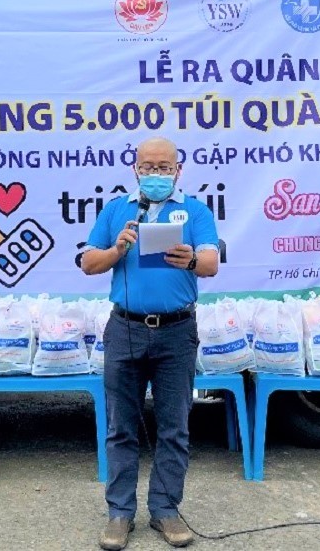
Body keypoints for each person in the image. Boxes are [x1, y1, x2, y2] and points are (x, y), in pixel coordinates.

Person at [81, 137, 219, 550]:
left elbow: (211, 263)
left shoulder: (195, 211)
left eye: (164, 167)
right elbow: (88, 262)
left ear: (178, 170)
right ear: (135, 169)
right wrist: (117, 249)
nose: (156, 174)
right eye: (148, 167)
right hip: (125, 328)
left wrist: (189, 259)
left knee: (174, 426)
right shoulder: (115, 211)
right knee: (120, 427)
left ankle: (165, 509)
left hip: (177, 332)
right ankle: (119, 514)